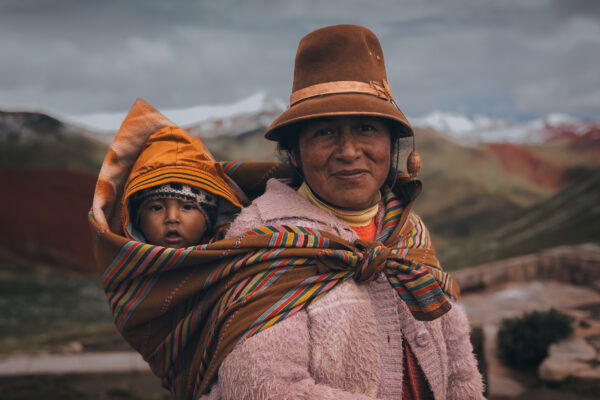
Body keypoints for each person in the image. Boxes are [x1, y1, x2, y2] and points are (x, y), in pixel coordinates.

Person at [209, 25, 485, 399]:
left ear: (392, 144)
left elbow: (458, 362)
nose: (349, 151)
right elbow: (262, 389)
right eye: (325, 133)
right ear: (295, 153)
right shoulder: (263, 238)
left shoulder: (408, 230)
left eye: (366, 128)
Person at [120, 120, 243, 248]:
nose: (172, 218)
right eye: (157, 207)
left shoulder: (237, 256)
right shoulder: (116, 260)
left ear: (209, 219)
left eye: (188, 207)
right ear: (136, 219)